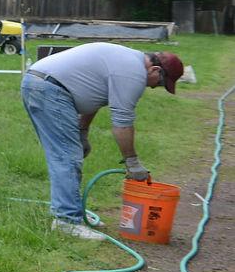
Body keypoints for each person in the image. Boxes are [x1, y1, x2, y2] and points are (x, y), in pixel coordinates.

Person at [22, 43, 184, 241]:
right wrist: (132, 162)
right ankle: (67, 220)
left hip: (43, 83)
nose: (153, 87)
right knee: (66, 157)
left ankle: (70, 210)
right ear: (155, 70)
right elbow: (122, 124)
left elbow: (94, 96)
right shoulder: (133, 74)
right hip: (49, 88)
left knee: (66, 155)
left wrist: (82, 130)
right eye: (159, 83)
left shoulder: (128, 62)